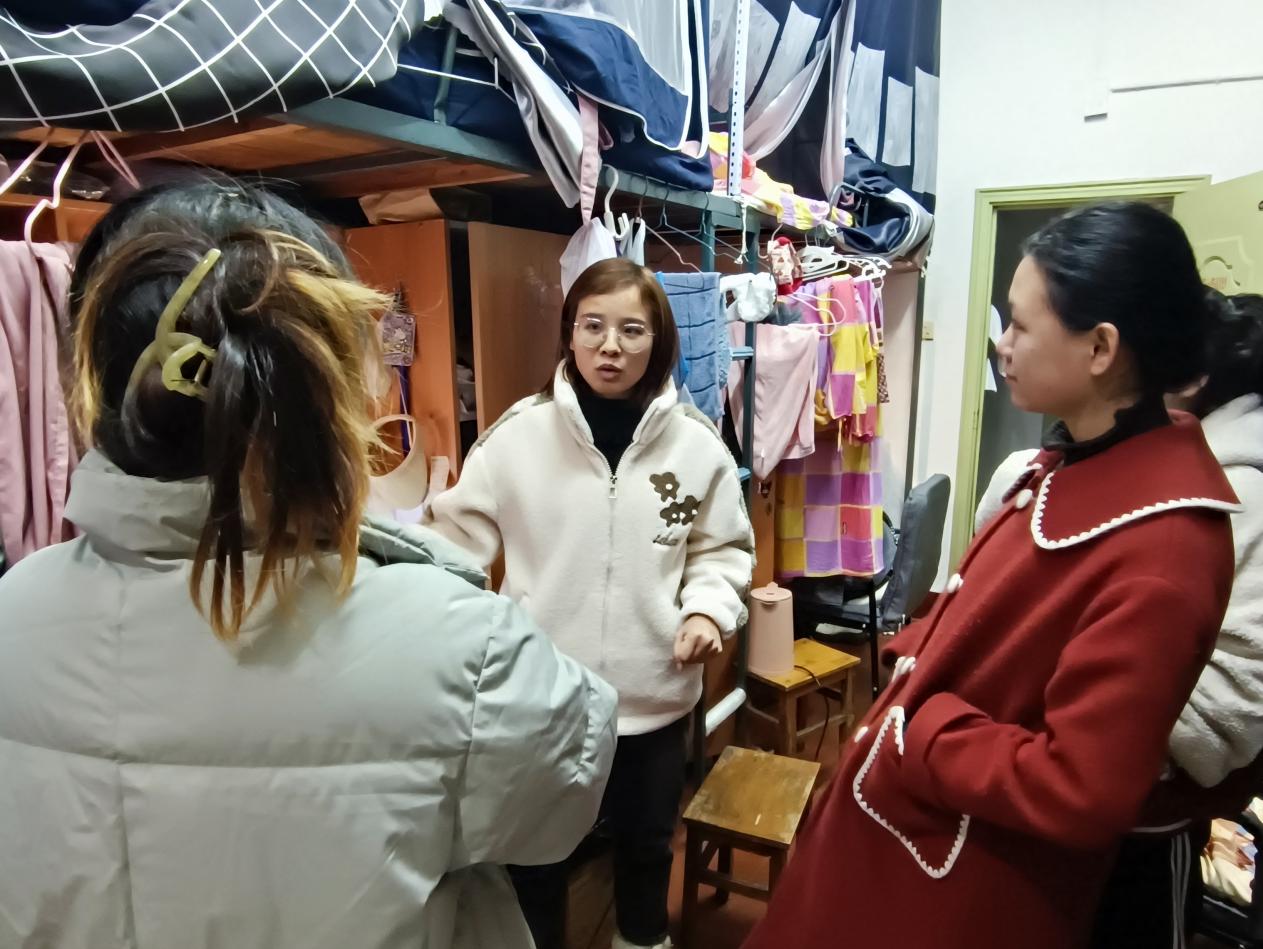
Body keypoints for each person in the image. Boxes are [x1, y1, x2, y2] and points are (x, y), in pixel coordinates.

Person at [0, 180, 617, 949]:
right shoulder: (461, 647)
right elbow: (562, 799)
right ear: (332, 390)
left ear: (94, 382)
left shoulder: (14, 611)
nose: (610, 345)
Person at [743, 202, 1238, 949]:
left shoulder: (1164, 546)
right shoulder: (1074, 465)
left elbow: (1079, 786)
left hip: (958, 877)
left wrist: (925, 732)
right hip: (915, 833)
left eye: (1021, 327)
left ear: (1100, 347)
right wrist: (925, 648)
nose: (1001, 346)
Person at [427, 257, 754, 949]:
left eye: (632, 330)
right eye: (593, 326)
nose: (610, 346)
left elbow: (721, 549)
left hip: (654, 696)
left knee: (646, 849)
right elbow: (452, 547)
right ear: (569, 334)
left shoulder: (697, 447)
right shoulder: (516, 437)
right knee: (534, 861)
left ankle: (641, 940)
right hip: (541, 700)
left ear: (658, 341)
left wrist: (706, 610)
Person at [1087, 292, 1263, 949]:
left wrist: (1097, 742)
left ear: (1189, 378)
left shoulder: (1242, 493)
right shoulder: (1137, 468)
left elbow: (1232, 699)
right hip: (1079, 803)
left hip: (1141, 822)